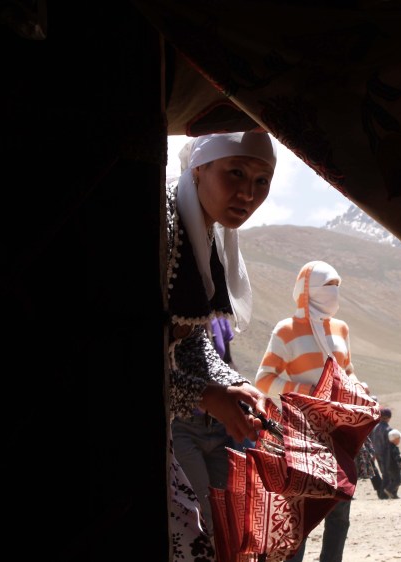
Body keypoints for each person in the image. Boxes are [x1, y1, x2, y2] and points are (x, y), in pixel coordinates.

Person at [166, 131, 278, 561]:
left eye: (262, 182)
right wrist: (206, 395)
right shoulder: (164, 220)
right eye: (235, 173)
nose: (248, 193)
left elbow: (189, 340)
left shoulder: (205, 233)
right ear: (200, 167)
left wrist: (233, 384)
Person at [255, 260, 365, 562]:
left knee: (340, 509)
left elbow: (348, 370)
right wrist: (311, 394)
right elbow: (264, 379)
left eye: (338, 287)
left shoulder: (340, 329)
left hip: (338, 431)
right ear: (309, 290)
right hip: (299, 433)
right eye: (328, 286)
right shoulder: (287, 331)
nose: (334, 293)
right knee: (300, 511)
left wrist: (358, 390)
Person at [369, 407, 393, 499]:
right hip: (385, 454)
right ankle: (383, 494)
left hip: (377, 454)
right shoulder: (388, 429)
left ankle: (383, 493)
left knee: (384, 474)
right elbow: (389, 444)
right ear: (389, 417)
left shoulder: (375, 428)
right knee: (387, 474)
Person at [384, 429, 401, 499]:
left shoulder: (388, 446)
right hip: (394, 467)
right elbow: (396, 457)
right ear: (395, 439)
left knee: (393, 480)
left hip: (389, 466)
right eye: (399, 439)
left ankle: (394, 494)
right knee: (398, 480)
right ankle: (388, 489)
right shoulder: (394, 448)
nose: (399, 440)